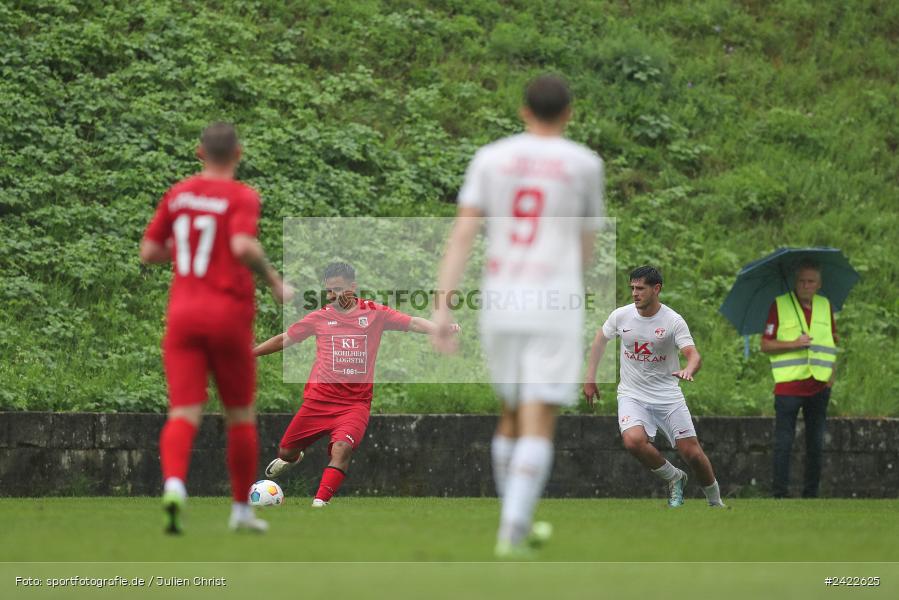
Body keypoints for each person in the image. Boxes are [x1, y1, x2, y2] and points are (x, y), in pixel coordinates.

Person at [432, 74, 604, 558]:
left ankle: (516, 521)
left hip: (501, 299)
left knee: (510, 412)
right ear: (568, 113)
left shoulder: (491, 158)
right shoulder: (584, 164)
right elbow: (586, 248)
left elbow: (463, 234)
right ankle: (512, 530)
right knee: (538, 414)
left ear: (524, 111)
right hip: (552, 300)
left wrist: (442, 305)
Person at [140, 122, 292, 534]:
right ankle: (241, 511)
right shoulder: (241, 195)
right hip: (227, 316)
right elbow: (242, 245)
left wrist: (187, 247)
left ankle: (174, 485)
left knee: (183, 410)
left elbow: (149, 251)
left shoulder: (179, 194)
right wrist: (274, 280)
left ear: (199, 152)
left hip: (183, 316)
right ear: (238, 154)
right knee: (239, 415)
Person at [254, 262, 459, 507]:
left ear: (353, 287)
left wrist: (439, 329)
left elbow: (412, 322)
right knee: (285, 452)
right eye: (329, 290)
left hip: (354, 405)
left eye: (338, 289)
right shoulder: (319, 317)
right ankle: (293, 457)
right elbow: (284, 339)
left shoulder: (375, 313)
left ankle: (319, 503)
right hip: (318, 401)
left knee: (342, 449)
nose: (332, 295)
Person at [583, 266, 726, 509]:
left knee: (692, 453)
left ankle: (715, 502)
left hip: (667, 396)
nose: (634, 293)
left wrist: (689, 370)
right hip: (632, 394)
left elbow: (694, 356)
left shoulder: (672, 321)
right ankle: (675, 477)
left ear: (656, 289)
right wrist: (590, 377)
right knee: (632, 441)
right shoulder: (621, 316)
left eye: (640, 288)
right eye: (632, 288)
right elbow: (600, 340)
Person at [760, 261, 838, 498]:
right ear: (796, 282)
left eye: (810, 281)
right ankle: (780, 494)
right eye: (802, 281)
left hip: (819, 385)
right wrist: (795, 343)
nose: (805, 285)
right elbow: (765, 345)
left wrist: (832, 375)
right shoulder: (780, 304)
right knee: (784, 443)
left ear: (819, 284)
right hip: (789, 386)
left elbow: (832, 341)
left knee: (816, 443)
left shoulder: (825, 306)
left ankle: (811, 494)